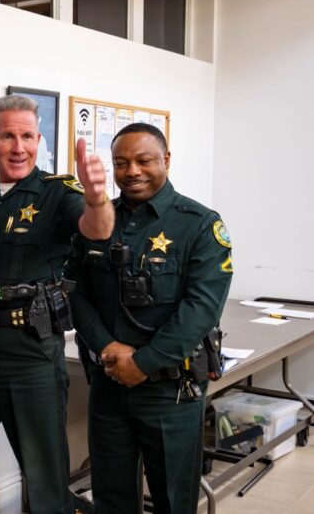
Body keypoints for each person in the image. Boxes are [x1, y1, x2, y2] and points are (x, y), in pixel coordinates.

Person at [0, 94, 114, 514]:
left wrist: (98, 197)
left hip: (30, 352)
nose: (18, 147)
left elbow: (96, 230)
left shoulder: (58, 192)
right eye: (8, 136)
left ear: (39, 139)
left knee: (45, 477)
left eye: (27, 136)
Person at [65, 123, 233, 514]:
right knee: (112, 497)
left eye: (144, 161)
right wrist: (107, 348)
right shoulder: (96, 221)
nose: (132, 172)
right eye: (121, 163)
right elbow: (75, 291)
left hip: (169, 392)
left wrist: (142, 363)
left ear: (166, 161)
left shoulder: (200, 224)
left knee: (173, 500)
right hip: (109, 386)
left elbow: (200, 311)